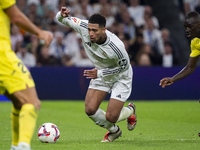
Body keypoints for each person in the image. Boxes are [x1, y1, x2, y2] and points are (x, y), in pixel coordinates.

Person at [56, 7, 137, 142]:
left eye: (95, 30)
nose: (91, 33)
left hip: (121, 76)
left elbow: (124, 67)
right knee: (90, 109)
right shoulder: (82, 26)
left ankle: (130, 110)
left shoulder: (117, 47)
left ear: (103, 30)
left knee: (111, 117)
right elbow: (61, 20)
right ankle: (114, 131)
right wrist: (61, 14)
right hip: (100, 73)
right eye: (89, 29)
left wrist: (100, 73)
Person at [0, 1, 53, 150]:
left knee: (18, 102)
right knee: (31, 102)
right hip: (2, 57)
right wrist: (39, 32)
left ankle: (15, 146)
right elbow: (16, 17)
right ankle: (23, 146)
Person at [159, 11, 200, 88]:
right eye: (185, 27)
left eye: (190, 26)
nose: (187, 30)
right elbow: (190, 68)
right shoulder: (195, 42)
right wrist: (172, 79)